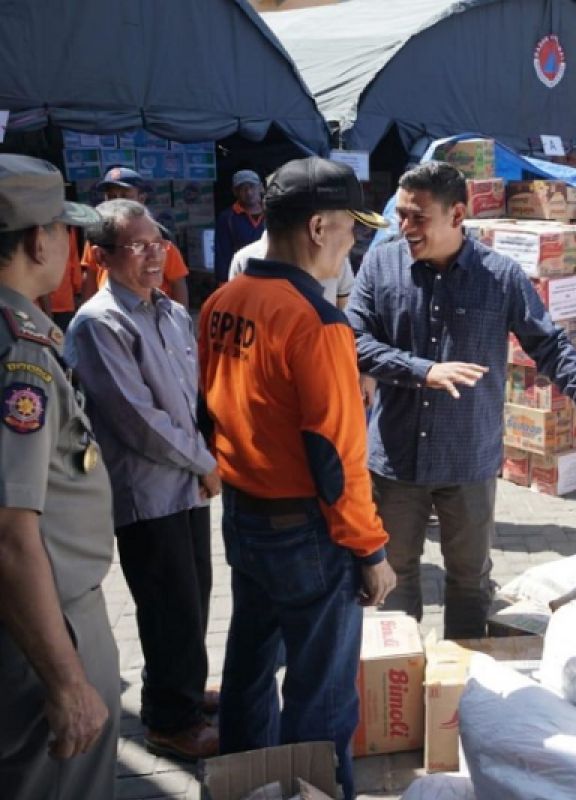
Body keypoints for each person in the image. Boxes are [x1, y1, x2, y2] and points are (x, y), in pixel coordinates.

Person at [348, 161, 576, 638]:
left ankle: (465, 691)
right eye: (401, 214)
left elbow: (549, 343)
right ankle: (399, 687)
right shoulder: (381, 264)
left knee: (469, 582)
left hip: (468, 459)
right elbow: (353, 341)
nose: (404, 227)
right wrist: (423, 371)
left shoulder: (499, 276)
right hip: (395, 460)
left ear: (457, 215)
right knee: (394, 578)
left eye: (418, 217)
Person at [199, 157, 396, 800]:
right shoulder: (316, 323)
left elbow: (210, 409)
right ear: (317, 227)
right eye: (348, 230)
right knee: (322, 694)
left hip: (245, 516)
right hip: (306, 532)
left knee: (251, 667)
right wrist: (370, 552)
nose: (352, 244)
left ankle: (242, 787)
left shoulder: (223, 300)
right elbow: (338, 457)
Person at [65, 199, 220, 760]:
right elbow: (136, 421)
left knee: (195, 597)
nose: (153, 255)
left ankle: (179, 687)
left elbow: (190, 401)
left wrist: (208, 453)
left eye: (158, 242)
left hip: (190, 485)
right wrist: (204, 462)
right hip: (149, 491)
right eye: (137, 245)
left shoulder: (172, 312)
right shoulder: (99, 323)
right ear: (101, 256)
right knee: (166, 603)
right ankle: (167, 721)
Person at [0, 155, 118, 800]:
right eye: (63, 231)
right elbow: (11, 533)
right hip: (43, 624)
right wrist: (67, 680)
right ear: (37, 239)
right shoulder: (19, 352)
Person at [85, 167, 190, 306]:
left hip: (150, 313)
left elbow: (178, 282)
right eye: (111, 196)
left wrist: (179, 320)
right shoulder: (98, 237)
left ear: (141, 198)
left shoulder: (158, 241)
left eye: (125, 195)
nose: (117, 201)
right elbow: (90, 277)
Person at [230, 232, 354, 309]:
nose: (352, 240)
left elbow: (346, 314)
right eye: (349, 228)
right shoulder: (243, 260)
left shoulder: (338, 259)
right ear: (316, 224)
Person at [213, 170, 265, 284]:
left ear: (261, 188)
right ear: (235, 192)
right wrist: (224, 284)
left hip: (270, 276)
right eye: (243, 188)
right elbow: (222, 254)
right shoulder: (227, 218)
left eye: (252, 186)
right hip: (241, 278)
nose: (249, 192)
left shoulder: (272, 214)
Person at [38, 226, 85, 329]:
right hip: (63, 301)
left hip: (44, 303)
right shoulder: (66, 229)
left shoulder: (66, 229)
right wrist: (77, 290)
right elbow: (74, 263)